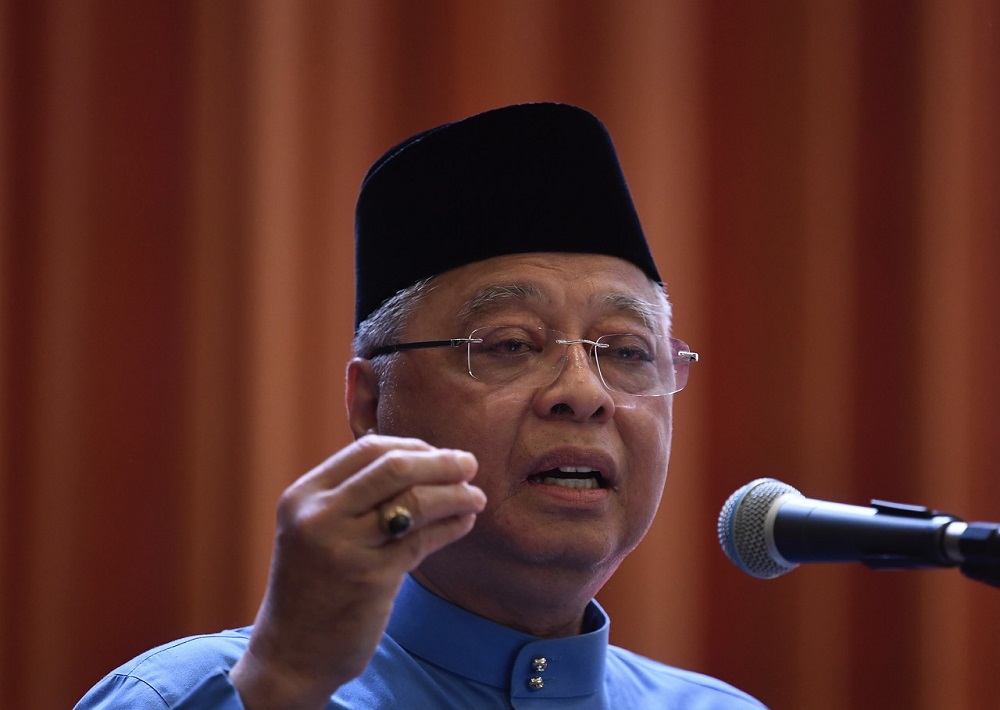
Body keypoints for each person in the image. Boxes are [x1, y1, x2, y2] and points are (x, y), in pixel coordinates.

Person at [76, 102, 765, 709]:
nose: (583, 394)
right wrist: (284, 684)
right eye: (510, 345)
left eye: (626, 351)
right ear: (372, 404)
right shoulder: (199, 694)